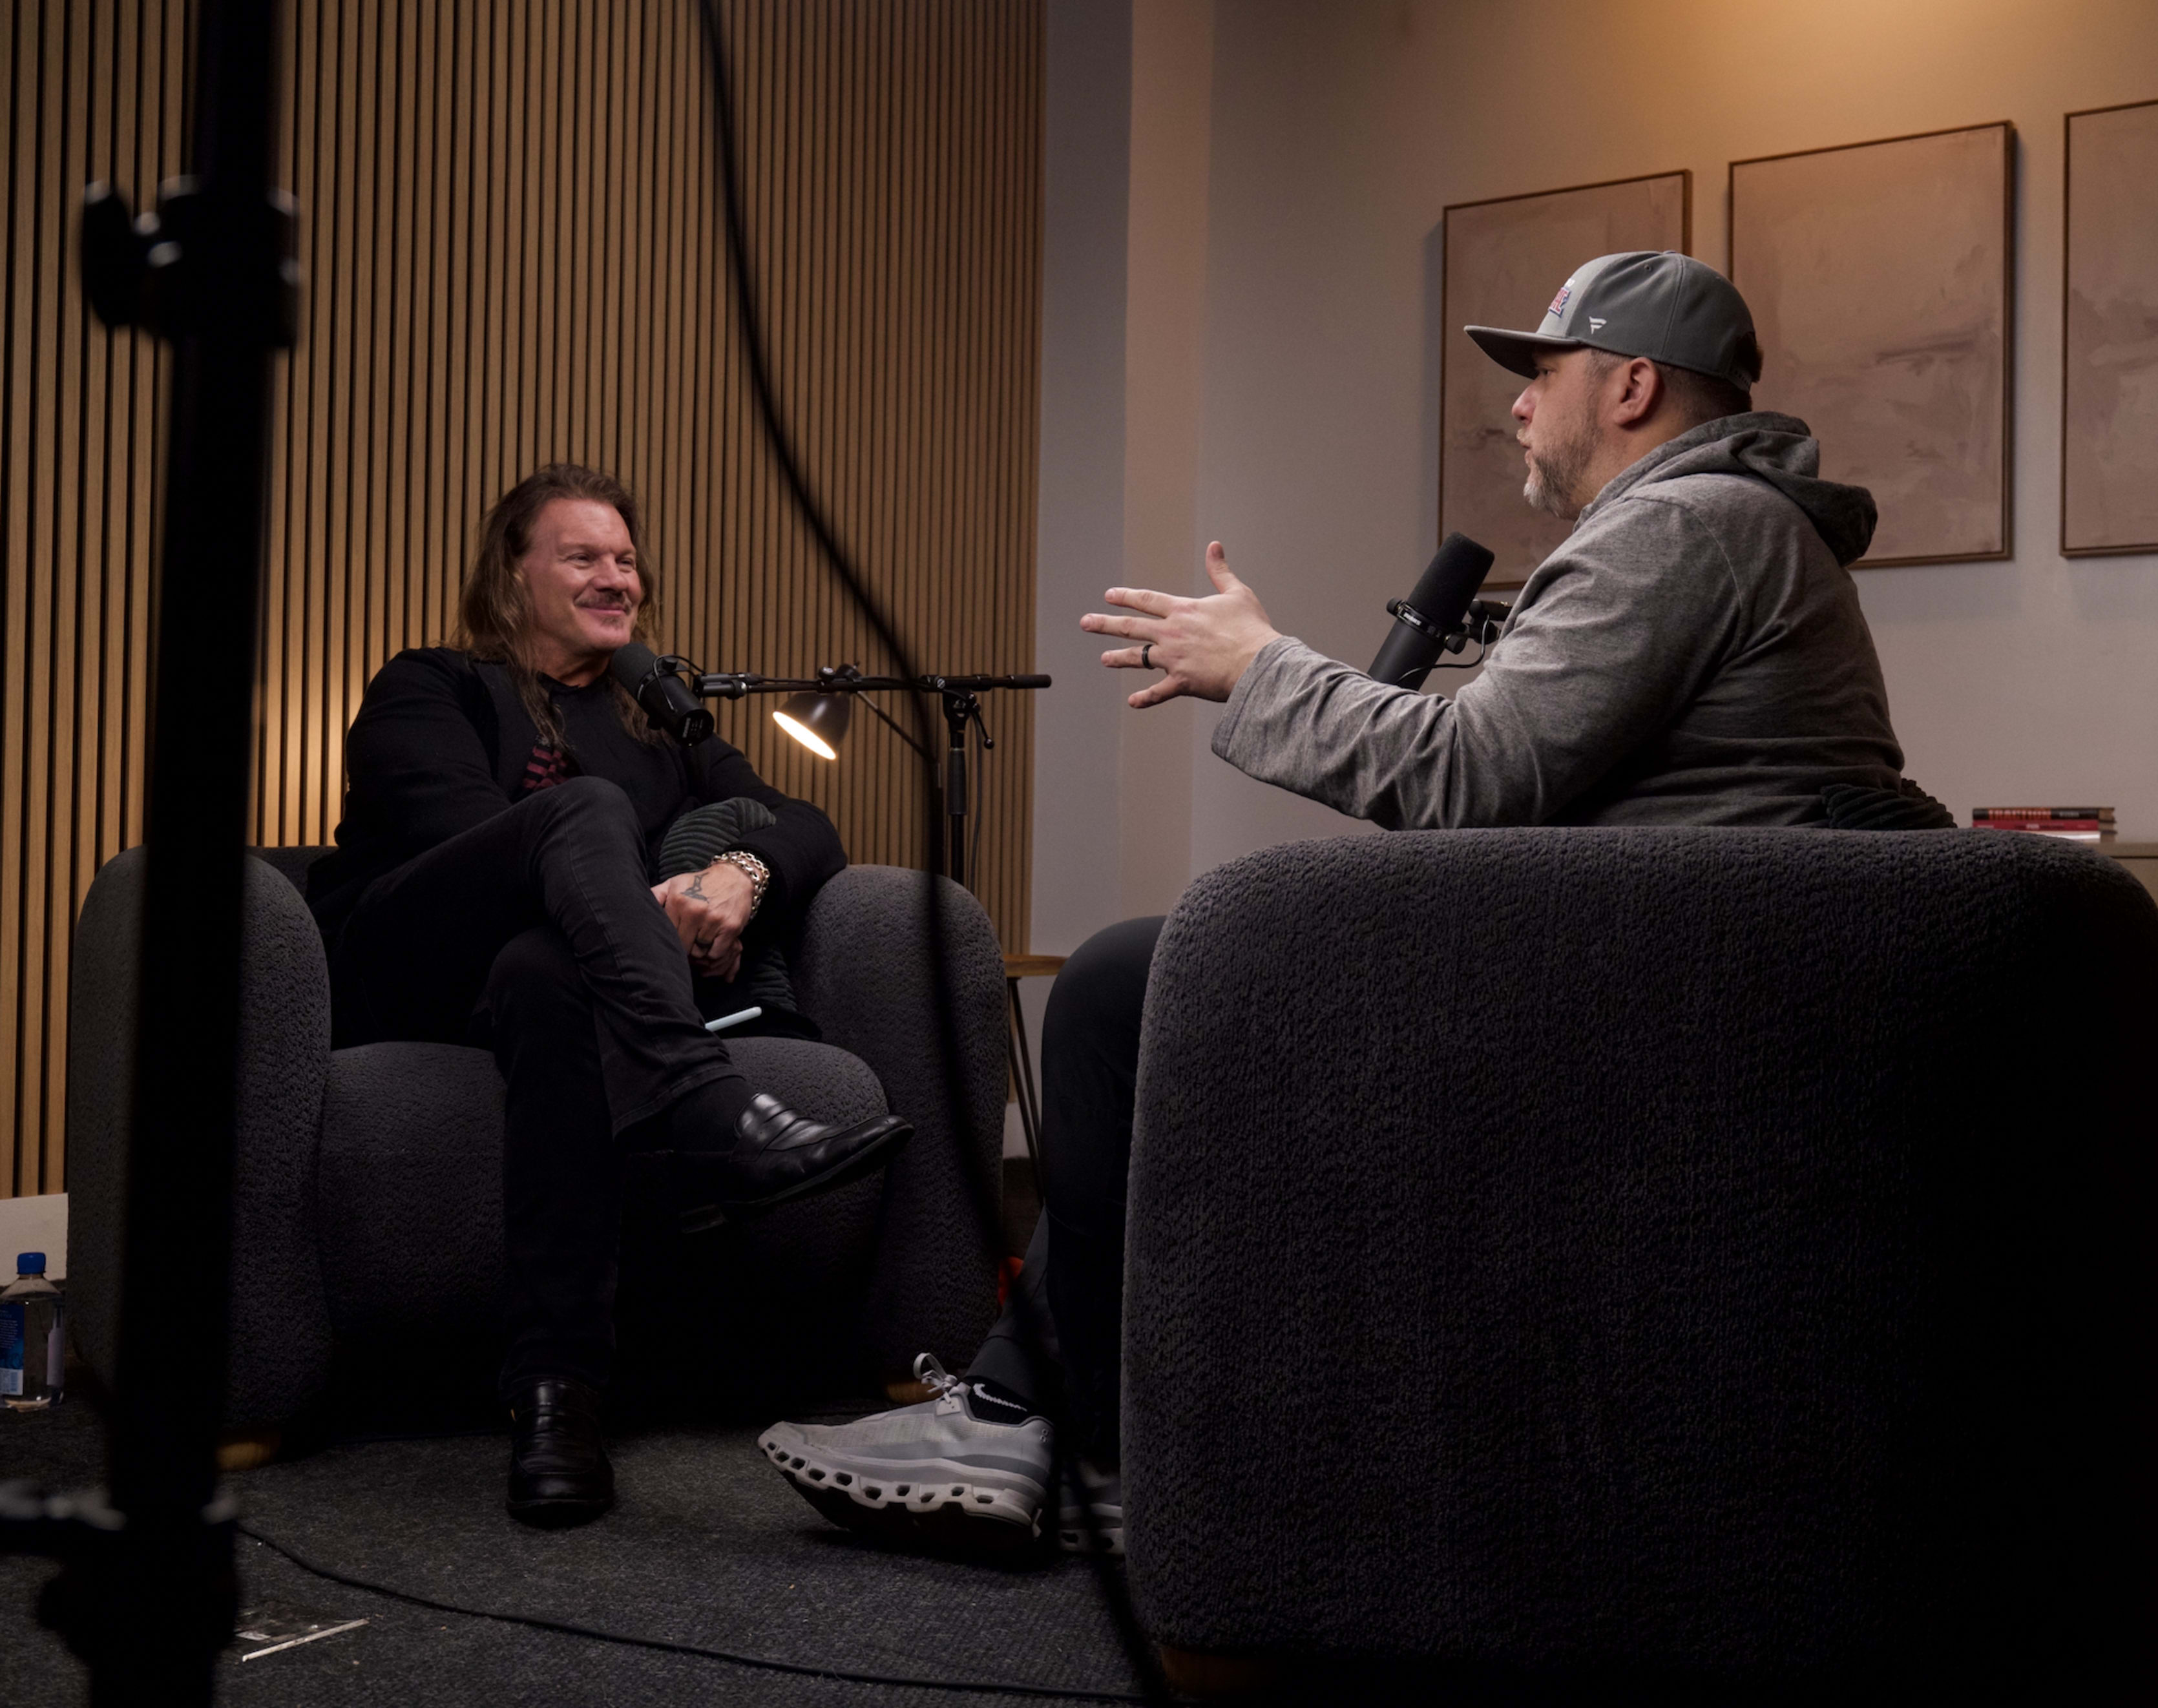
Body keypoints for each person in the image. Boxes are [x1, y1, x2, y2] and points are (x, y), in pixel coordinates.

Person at [759, 251, 1914, 1558]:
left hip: (1651, 994)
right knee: (1168, 966)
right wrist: (1269, 674)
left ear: (1633, 383)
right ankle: (1084, 1417)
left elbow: (1474, 774)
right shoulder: (1733, 523)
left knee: (1131, 981)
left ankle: (1038, 1415)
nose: (1522, 406)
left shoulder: (1686, 524)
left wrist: (1259, 667)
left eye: (1543, 372)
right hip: (1668, 960)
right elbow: (1505, 771)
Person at [309, 464, 912, 1529]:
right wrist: (647, 904)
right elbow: (460, 835)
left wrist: (744, 876)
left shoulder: (656, 728)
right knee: (574, 818)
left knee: (547, 971)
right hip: (408, 959)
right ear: (515, 573)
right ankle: (705, 1101)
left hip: (550, 990)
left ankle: (557, 1396)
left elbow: (805, 825)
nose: (615, 577)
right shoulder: (434, 684)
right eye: (583, 555)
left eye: (626, 559)